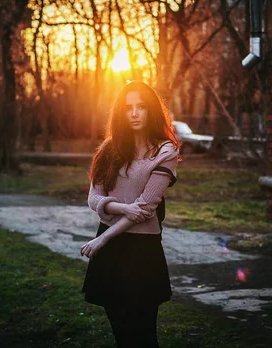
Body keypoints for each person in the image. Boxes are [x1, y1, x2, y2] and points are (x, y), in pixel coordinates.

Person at [80, 80, 180, 348]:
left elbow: (146, 208)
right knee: (121, 332)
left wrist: (102, 239)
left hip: (141, 250)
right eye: (128, 108)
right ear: (120, 113)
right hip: (111, 249)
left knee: (143, 333)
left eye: (141, 107)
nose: (134, 113)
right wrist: (123, 207)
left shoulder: (165, 151)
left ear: (151, 111)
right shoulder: (108, 150)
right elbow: (94, 198)